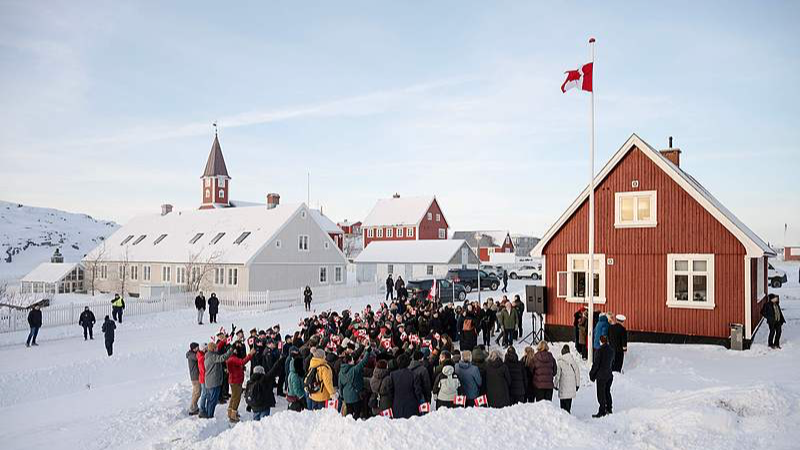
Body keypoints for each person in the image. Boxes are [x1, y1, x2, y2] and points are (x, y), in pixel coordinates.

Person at [202, 341, 235, 418]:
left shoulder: (211, 355)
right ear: (213, 349)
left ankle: (209, 414)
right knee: (212, 401)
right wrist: (231, 349)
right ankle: (210, 416)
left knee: (212, 400)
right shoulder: (211, 356)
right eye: (215, 348)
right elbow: (223, 358)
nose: (217, 349)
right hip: (212, 383)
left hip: (213, 382)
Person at [338, 346, 372, 419]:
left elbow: (340, 385)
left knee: (349, 414)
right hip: (355, 397)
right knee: (357, 414)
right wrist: (367, 351)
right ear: (349, 362)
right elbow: (363, 362)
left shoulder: (341, 372)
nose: (353, 361)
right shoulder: (354, 370)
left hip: (346, 397)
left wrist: (342, 396)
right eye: (352, 360)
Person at [387, 353, 424, 418]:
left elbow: (390, 391)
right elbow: (418, 391)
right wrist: (419, 401)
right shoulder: (414, 374)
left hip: (397, 406)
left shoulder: (393, 375)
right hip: (412, 406)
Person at [226, 343, 255, 423]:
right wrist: (250, 354)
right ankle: (233, 416)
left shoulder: (231, 357)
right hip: (235, 381)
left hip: (235, 380)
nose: (236, 350)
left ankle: (230, 412)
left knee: (233, 397)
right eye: (234, 349)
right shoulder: (232, 358)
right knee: (236, 398)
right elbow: (242, 362)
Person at [589, 335, 615, 417]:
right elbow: (612, 362)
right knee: (607, 391)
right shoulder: (611, 350)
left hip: (601, 376)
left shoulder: (599, 351)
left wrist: (592, 374)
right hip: (609, 375)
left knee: (601, 393)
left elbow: (596, 364)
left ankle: (602, 410)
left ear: (600, 341)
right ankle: (609, 408)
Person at [554, 344, 580, 413]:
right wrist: (577, 384)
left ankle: (565, 420)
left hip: (563, 388)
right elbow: (577, 372)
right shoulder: (573, 361)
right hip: (571, 388)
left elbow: (558, 375)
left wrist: (555, 385)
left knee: (563, 408)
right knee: (568, 407)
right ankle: (569, 416)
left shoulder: (560, 362)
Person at [186, 342, 202, 415]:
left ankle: (194, 406)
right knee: (197, 392)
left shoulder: (192, 354)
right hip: (195, 377)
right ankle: (192, 408)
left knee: (196, 392)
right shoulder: (191, 355)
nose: (198, 349)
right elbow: (198, 357)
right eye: (196, 348)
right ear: (193, 348)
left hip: (196, 376)